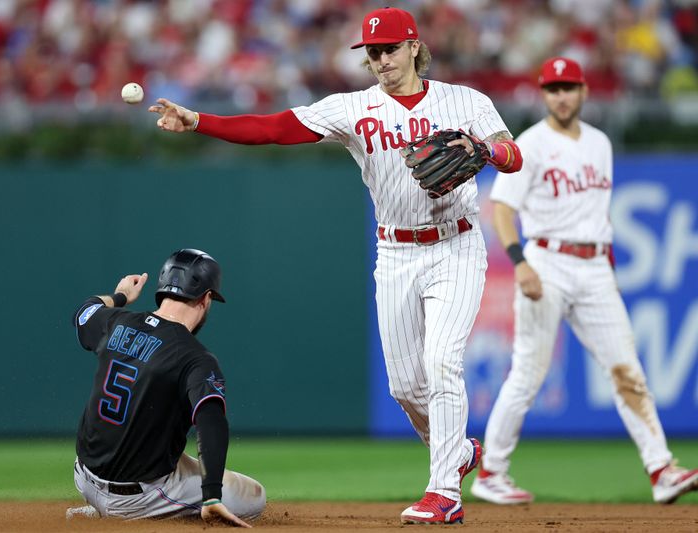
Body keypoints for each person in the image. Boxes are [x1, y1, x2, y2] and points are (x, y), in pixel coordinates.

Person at [148, 7, 523, 525]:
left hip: (455, 246)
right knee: (405, 387)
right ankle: (456, 453)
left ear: (414, 46)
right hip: (395, 251)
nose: (382, 59)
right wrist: (200, 121)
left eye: (390, 48)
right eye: (373, 52)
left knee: (442, 362)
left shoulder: (465, 101)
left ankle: (444, 492)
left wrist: (484, 149)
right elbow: (276, 128)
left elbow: (513, 154)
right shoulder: (354, 108)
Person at [472, 56, 698, 505]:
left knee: (627, 371)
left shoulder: (599, 143)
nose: (561, 96)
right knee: (528, 375)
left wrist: (606, 271)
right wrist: (519, 262)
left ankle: (661, 470)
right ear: (543, 94)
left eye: (569, 87)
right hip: (547, 261)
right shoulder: (531, 144)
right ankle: (491, 472)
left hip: (594, 267)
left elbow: (597, 215)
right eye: (553, 89)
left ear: (583, 92)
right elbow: (501, 208)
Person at [67, 249, 266, 526]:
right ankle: (129, 515)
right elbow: (211, 422)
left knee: (173, 452)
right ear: (206, 298)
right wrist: (211, 496)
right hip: (139, 497)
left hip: (84, 478)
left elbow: (84, 311)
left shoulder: (115, 321)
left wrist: (121, 296)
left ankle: (101, 508)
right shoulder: (196, 358)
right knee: (256, 496)